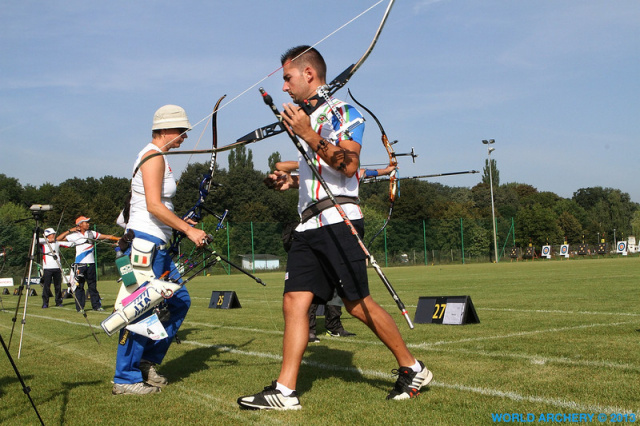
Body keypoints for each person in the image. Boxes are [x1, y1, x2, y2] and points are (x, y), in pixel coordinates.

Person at [238, 46, 432, 410]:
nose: (284, 87)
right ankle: (285, 390)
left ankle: (412, 367)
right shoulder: (308, 118)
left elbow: (346, 166)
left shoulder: (343, 112)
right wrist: (292, 181)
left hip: (338, 222)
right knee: (294, 302)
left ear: (308, 74)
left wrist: (309, 135)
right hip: (308, 225)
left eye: (287, 78)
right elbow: (320, 170)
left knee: (357, 305)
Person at [111, 104, 209, 396]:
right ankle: (125, 379)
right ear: (165, 129)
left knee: (178, 301)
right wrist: (188, 229)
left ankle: (146, 361)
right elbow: (153, 205)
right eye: (181, 131)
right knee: (139, 310)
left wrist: (181, 222)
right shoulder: (152, 156)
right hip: (146, 246)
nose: (184, 137)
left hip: (158, 246)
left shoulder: (160, 158)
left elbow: (159, 206)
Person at [61, 217, 118, 312]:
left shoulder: (92, 233)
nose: (88, 224)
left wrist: (120, 238)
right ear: (80, 225)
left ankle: (96, 306)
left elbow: (107, 237)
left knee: (92, 286)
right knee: (79, 287)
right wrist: (70, 230)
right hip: (80, 265)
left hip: (91, 264)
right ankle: (80, 308)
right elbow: (58, 239)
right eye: (85, 222)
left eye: (88, 222)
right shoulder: (74, 235)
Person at [39, 228, 74, 308]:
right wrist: (47, 239)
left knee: (58, 286)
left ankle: (58, 301)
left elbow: (70, 244)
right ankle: (45, 303)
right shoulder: (43, 243)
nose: (54, 236)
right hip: (47, 268)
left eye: (54, 234)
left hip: (57, 267)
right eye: (52, 234)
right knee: (46, 286)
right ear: (47, 235)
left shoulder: (57, 243)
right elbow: (35, 240)